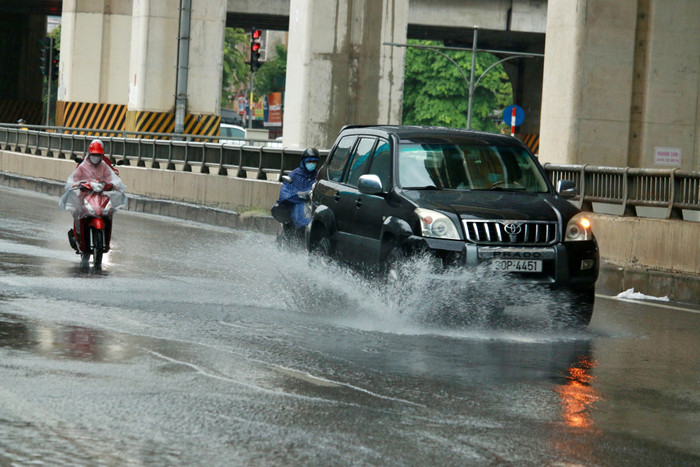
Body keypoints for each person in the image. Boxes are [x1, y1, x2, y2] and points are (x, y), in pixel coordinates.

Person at [61, 140, 125, 264]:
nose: (96, 157)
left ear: (102, 154)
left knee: (109, 211)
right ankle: (79, 239)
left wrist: (115, 185)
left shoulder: (104, 164)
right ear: (89, 154)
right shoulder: (83, 166)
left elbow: (111, 177)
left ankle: (105, 242)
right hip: (84, 195)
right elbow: (74, 178)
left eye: (98, 154)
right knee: (78, 212)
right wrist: (75, 184)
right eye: (94, 154)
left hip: (100, 195)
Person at [273, 148, 320, 245]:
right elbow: (285, 193)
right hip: (295, 205)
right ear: (303, 161)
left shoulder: (317, 176)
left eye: (314, 161)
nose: (312, 163)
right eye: (309, 161)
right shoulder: (294, 175)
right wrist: (299, 195)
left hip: (311, 206)